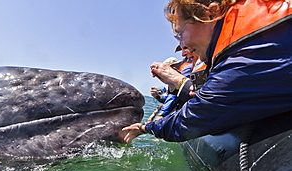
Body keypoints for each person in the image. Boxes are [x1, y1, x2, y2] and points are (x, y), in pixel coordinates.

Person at [122, 0, 292, 143]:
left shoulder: (244, 57)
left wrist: (145, 127)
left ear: (210, 15)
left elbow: (195, 118)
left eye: (180, 34)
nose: (183, 46)